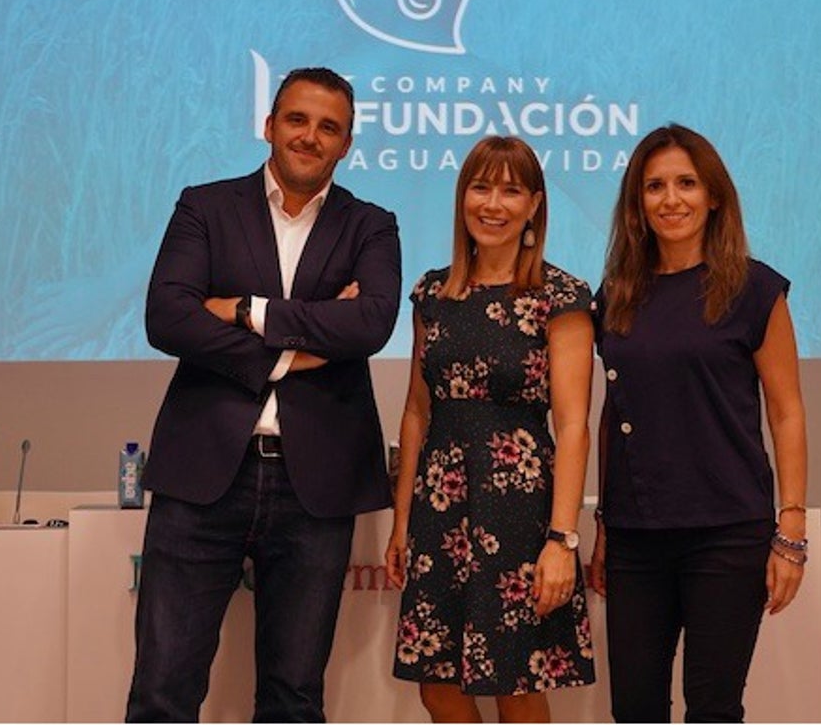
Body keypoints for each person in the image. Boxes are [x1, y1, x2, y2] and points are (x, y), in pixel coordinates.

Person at [126, 67, 402, 722]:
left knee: (294, 696)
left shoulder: (371, 225)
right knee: (163, 689)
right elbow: (167, 315)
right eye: (298, 120)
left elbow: (371, 323)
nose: (310, 136)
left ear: (347, 143)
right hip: (204, 474)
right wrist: (290, 353)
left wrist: (245, 309)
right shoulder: (205, 206)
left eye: (328, 127)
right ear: (270, 125)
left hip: (317, 485)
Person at [588, 124, 808, 723]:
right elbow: (615, 414)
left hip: (727, 532)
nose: (670, 199)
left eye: (686, 183)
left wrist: (790, 532)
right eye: (654, 186)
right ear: (637, 203)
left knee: (712, 709)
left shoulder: (755, 288)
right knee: (634, 709)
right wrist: (606, 521)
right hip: (635, 535)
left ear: (714, 195)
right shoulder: (617, 294)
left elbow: (786, 413)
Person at [385, 136, 596, 722]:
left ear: (534, 205)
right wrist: (403, 522)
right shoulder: (433, 292)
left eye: (510, 190)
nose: (493, 203)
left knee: (516, 682)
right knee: (437, 684)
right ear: (462, 198)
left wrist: (562, 540)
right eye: (481, 187)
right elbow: (416, 412)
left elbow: (574, 425)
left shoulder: (561, 296)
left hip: (523, 516)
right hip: (439, 509)